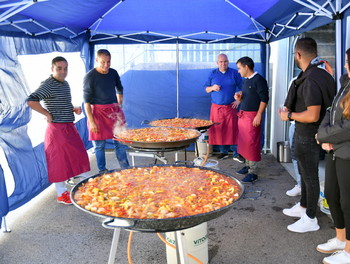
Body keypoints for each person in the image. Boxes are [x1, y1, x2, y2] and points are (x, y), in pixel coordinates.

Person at [279, 37, 336, 233]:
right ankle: (303, 206)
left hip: (309, 134)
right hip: (315, 133)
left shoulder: (311, 78)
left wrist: (289, 115)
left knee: (310, 177)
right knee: (304, 173)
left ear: (299, 54)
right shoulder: (324, 75)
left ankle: (311, 218)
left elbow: (312, 114)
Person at [27, 56, 90, 205]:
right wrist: (46, 114)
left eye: (65, 68)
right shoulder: (48, 84)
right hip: (56, 130)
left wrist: (73, 108)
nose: (63, 71)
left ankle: (87, 187)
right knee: (59, 162)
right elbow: (31, 100)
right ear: (52, 69)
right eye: (59, 68)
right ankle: (61, 194)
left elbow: (63, 102)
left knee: (80, 155)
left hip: (69, 126)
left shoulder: (65, 84)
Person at [315, 48, 350, 264]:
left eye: (348, 62)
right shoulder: (345, 83)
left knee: (348, 202)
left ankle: (349, 250)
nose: (346, 65)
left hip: (346, 153)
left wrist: (323, 135)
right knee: (331, 194)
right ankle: (340, 238)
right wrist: (323, 134)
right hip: (335, 149)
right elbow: (330, 111)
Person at [84, 49, 130, 173]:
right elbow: (86, 103)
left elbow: (120, 89)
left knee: (120, 142)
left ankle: (125, 168)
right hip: (98, 113)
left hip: (114, 111)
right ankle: (102, 170)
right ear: (97, 60)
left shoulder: (113, 73)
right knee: (99, 146)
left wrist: (119, 103)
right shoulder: (90, 77)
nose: (106, 65)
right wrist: (91, 121)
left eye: (108, 62)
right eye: (103, 62)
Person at [234, 56, 269, 183]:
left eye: (239, 68)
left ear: (246, 67)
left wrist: (259, 114)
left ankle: (253, 172)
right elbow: (248, 97)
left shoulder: (259, 80)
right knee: (244, 142)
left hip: (253, 116)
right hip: (244, 115)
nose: (238, 71)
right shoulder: (246, 80)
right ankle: (248, 165)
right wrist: (239, 98)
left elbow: (264, 99)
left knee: (252, 142)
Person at [204, 53, 244, 162]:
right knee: (219, 129)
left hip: (231, 107)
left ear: (228, 62)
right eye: (221, 62)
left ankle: (236, 153)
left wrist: (238, 100)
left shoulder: (234, 73)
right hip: (216, 108)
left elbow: (243, 88)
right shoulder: (213, 73)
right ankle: (223, 152)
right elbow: (206, 89)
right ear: (217, 63)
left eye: (225, 61)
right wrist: (213, 87)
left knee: (233, 129)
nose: (223, 64)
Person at [285, 121, 302, 196]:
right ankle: (301, 185)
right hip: (295, 124)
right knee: (296, 158)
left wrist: (289, 115)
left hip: (301, 126)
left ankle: (301, 186)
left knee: (298, 159)